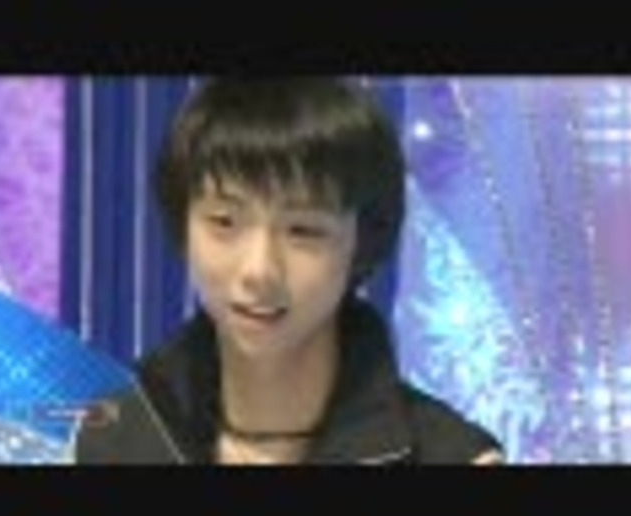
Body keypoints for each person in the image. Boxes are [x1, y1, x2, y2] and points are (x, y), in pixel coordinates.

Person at [74, 77, 504, 465]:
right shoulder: (112, 439)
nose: (259, 269)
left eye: (303, 230)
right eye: (224, 222)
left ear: (362, 241)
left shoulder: (450, 456)